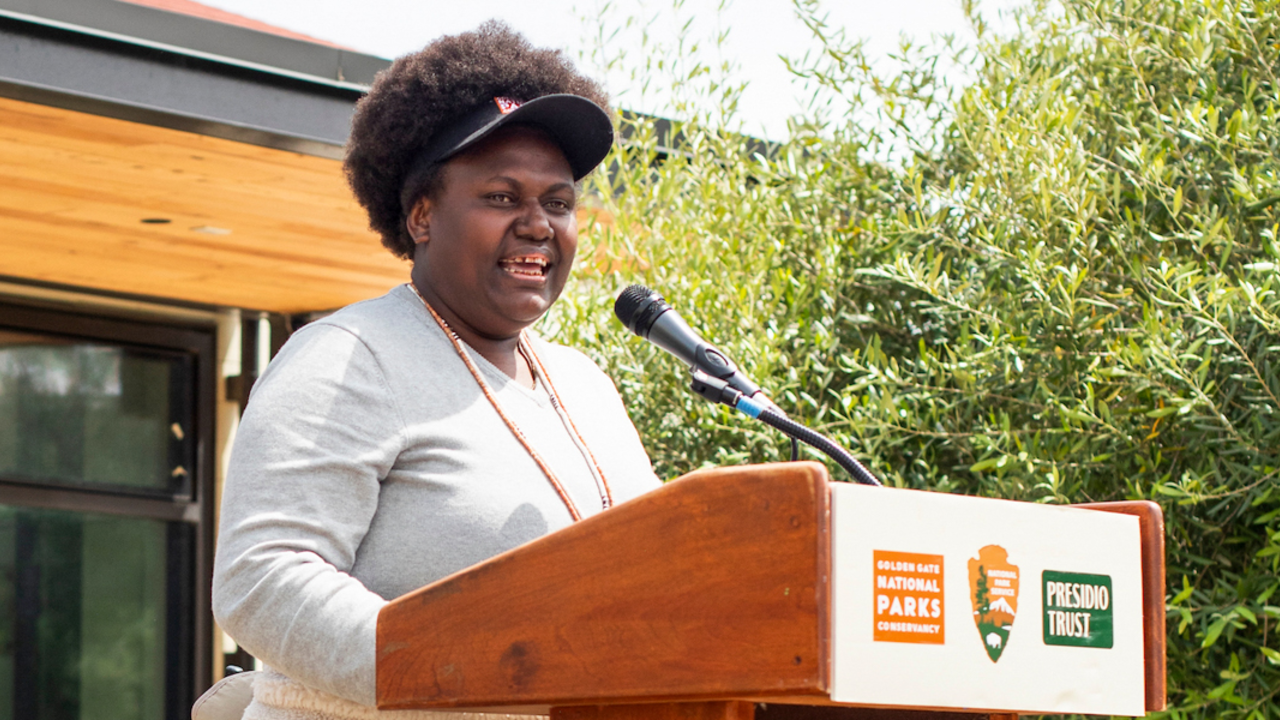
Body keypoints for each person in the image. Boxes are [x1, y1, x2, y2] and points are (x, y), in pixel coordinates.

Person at [210, 21, 661, 720]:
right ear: (422, 216)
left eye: (559, 201)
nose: (539, 223)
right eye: (503, 197)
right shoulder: (348, 357)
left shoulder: (587, 388)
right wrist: (459, 667)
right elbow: (263, 577)